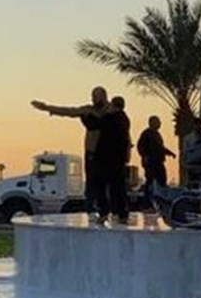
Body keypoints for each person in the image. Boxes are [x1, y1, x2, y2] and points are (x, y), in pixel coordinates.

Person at [31, 86, 112, 214]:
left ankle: (108, 209)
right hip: (92, 151)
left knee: (108, 181)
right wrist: (48, 108)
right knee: (92, 181)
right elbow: (68, 111)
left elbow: (122, 130)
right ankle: (90, 209)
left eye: (96, 96)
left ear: (104, 96)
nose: (93, 98)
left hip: (109, 151)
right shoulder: (87, 110)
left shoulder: (112, 111)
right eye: (92, 96)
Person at [85, 96, 131, 224]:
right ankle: (122, 214)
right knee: (118, 187)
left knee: (100, 185)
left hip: (105, 159)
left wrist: (84, 115)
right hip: (118, 159)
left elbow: (93, 125)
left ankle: (104, 212)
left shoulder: (110, 118)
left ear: (113, 106)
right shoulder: (125, 119)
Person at [137, 116, 176, 205]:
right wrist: (145, 156)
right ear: (152, 123)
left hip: (158, 161)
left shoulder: (157, 134)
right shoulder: (146, 134)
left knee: (161, 179)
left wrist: (169, 153)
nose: (159, 124)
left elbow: (160, 148)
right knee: (150, 180)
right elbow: (140, 146)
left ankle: (159, 199)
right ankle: (147, 202)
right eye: (157, 122)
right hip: (151, 161)